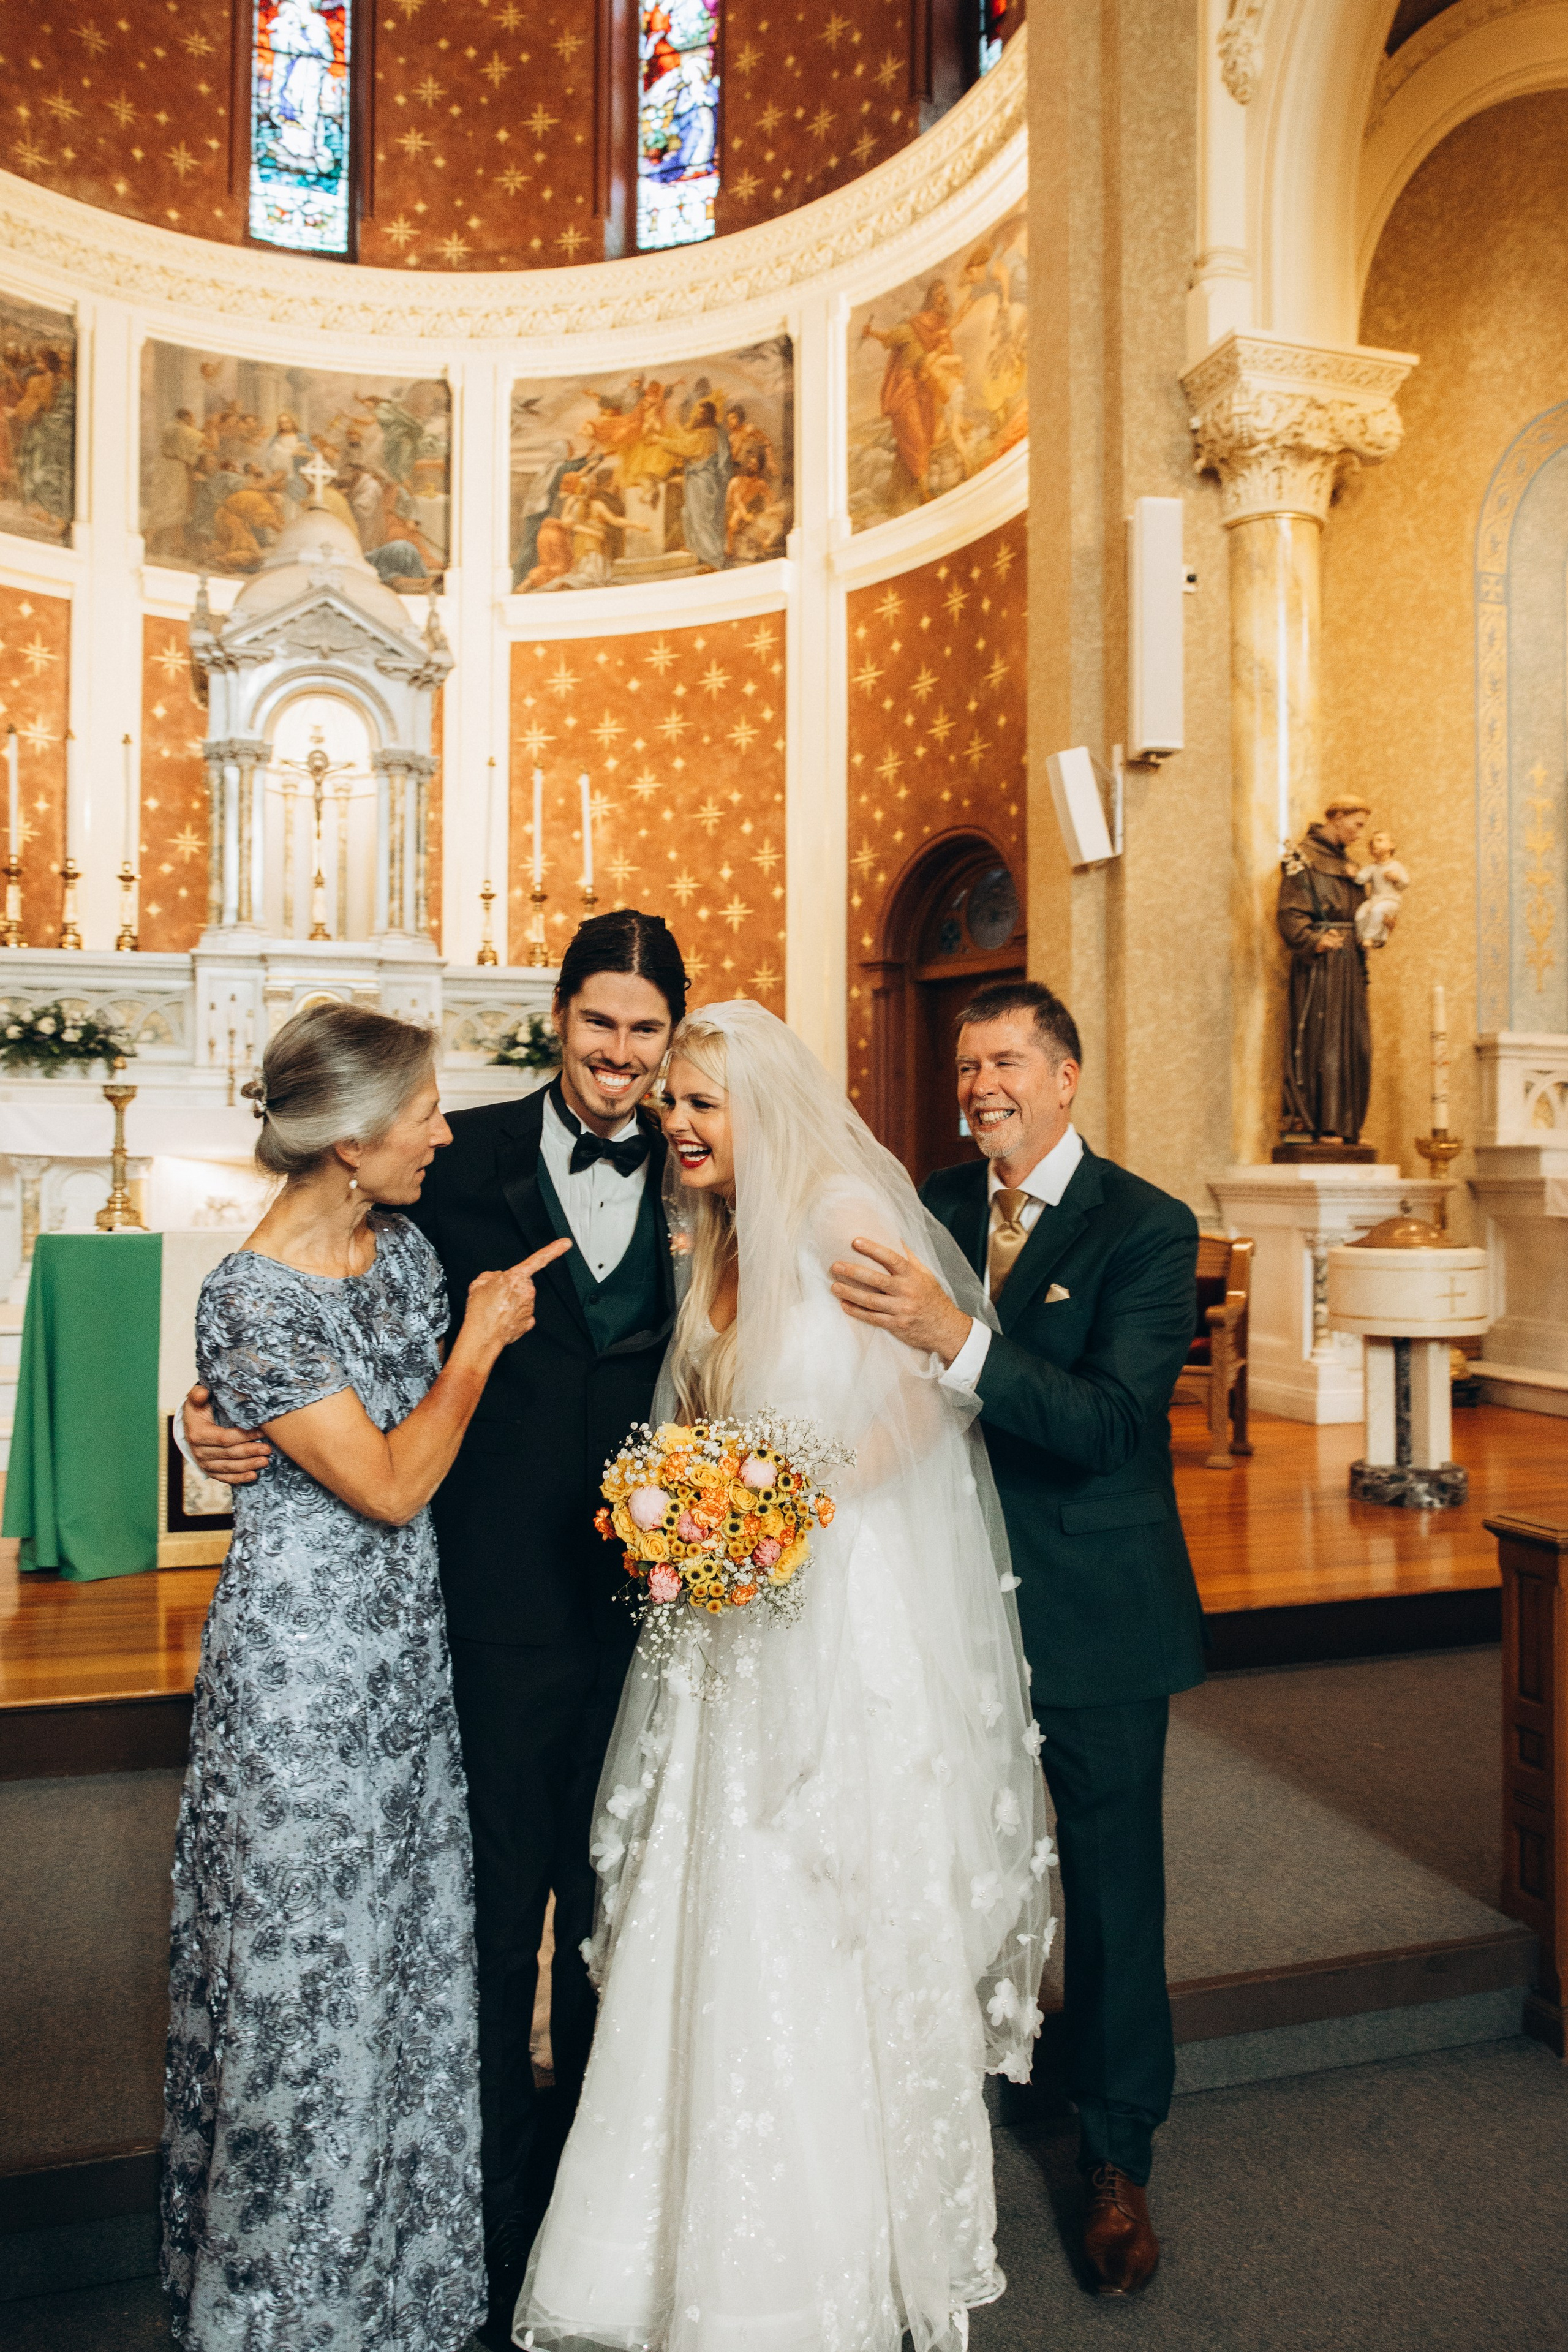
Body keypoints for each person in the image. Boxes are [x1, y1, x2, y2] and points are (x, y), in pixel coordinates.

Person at [183, 911, 690, 2351]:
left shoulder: (707, 1166)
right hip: (465, 1626)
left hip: (645, 1620)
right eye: (600, 1023)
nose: (621, 1054)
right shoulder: (447, 1157)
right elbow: (303, 1323)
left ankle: (600, 2239)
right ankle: (463, 2249)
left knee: (615, 1931)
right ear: (559, 1017)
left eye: (646, 1031)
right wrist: (213, 1414)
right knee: (457, 1946)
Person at [516, 1000, 1050, 2352]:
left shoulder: (832, 1219)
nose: (677, 1126)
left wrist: (780, 1516)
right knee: (716, 1887)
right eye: (671, 1106)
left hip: (827, 1603)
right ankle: (672, 2243)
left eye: (703, 1105)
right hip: (728, 1619)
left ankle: (821, 2256)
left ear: (764, 1108)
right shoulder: (720, 1237)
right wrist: (694, 1518)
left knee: (816, 1886)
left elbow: (926, 1397)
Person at [162, 1001, 570, 2352]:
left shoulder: (397, 1248)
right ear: (346, 1141)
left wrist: (216, 1422)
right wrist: (475, 1345)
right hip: (302, 1677)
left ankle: (398, 2293)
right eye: (422, 1116)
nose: (443, 1136)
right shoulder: (247, 1296)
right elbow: (392, 1483)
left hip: (407, 1669)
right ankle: (280, 2309)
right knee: (301, 1989)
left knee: (399, 1972)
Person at [828, 979, 1203, 2298]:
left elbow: (1108, 1420)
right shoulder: (924, 1202)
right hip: (938, 1604)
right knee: (942, 1855)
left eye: (1003, 1061)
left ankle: (1113, 2156)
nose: (978, 1083)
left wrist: (955, 1338)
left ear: (1065, 1076)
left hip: (1093, 1609)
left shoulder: (1148, 1228)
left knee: (1106, 1893)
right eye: (963, 1064)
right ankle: (933, 2096)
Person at [1277, 793, 1373, 1145]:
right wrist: (1312, 939)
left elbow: (1362, 913)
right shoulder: (1302, 858)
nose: (1360, 834)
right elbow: (1289, 911)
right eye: (1357, 824)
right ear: (1337, 817)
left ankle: (1348, 1125)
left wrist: (1377, 927)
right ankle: (1323, 1124)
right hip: (1322, 963)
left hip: (1350, 962)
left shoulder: (1350, 867)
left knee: (1356, 1044)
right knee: (1327, 1042)